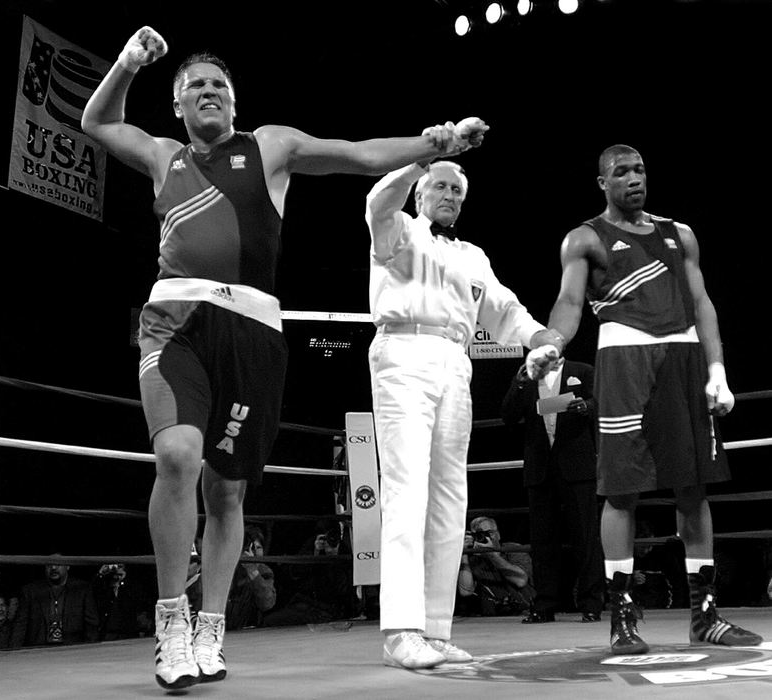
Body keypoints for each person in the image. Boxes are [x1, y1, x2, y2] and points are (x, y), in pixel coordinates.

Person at [81, 25, 489, 690]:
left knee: (228, 487)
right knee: (178, 454)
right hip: (176, 320)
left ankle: (212, 624)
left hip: (252, 329)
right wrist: (127, 62)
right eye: (195, 88)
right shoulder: (162, 155)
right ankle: (171, 620)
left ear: (234, 104)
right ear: (179, 107)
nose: (209, 93)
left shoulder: (269, 146)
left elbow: (356, 154)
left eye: (219, 85)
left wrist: (430, 145)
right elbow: (96, 119)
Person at [541, 143, 762, 654]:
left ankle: (705, 615)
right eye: (621, 171)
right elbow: (570, 302)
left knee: (693, 488)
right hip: (624, 363)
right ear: (602, 182)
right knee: (621, 491)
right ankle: (621, 616)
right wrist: (551, 343)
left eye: (640, 169)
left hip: (683, 361)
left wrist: (717, 369)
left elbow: (702, 302)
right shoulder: (584, 238)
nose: (634, 178)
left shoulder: (678, 234)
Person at [365, 156, 565, 669]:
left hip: (456, 362)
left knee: (451, 499)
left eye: (457, 188)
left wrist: (541, 337)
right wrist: (418, 159)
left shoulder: (473, 255)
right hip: (403, 351)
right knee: (407, 489)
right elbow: (377, 200)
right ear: (419, 191)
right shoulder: (399, 230)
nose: (450, 194)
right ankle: (400, 631)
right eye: (440, 185)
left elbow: (506, 311)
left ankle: (433, 629)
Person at [500, 358, 604, 623]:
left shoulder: (582, 371)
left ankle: (592, 602)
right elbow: (508, 416)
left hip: (577, 466)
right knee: (543, 540)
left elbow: (602, 402)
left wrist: (586, 406)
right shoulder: (528, 377)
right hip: (540, 468)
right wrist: (518, 384)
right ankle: (545, 604)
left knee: (586, 536)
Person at [262, 519, 356, 628]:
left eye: (332, 535)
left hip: (330, 608)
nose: (328, 540)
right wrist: (314, 554)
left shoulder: (344, 551)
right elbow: (294, 574)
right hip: (306, 603)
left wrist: (333, 557)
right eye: (324, 536)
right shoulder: (313, 545)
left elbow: (342, 589)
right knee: (271, 620)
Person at [10, 558, 99, 647]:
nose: (53, 567)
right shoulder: (30, 591)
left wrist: (89, 651)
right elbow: (20, 626)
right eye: (49, 564)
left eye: (58, 564)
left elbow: (91, 627)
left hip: (73, 651)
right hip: (38, 652)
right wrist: (13, 654)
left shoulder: (82, 589)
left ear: (68, 566)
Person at [456, 517, 535, 618]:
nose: (482, 537)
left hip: (524, 612)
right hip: (492, 616)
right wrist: (464, 553)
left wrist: (492, 555)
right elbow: (465, 591)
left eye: (488, 532)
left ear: (498, 534)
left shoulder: (514, 549)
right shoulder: (473, 559)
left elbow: (520, 581)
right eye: (477, 535)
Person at [224, 525, 276, 630]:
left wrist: (253, 571)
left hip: (251, 628)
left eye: (258, 548)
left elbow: (267, 603)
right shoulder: (228, 568)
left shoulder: (264, 571)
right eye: (250, 548)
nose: (254, 553)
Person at [92, 563, 154, 640]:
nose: (116, 577)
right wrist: (100, 574)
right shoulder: (104, 589)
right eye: (114, 574)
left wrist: (124, 579)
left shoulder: (130, 589)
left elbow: (136, 599)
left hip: (127, 632)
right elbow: (95, 589)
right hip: (108, 632)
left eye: (119, 574)